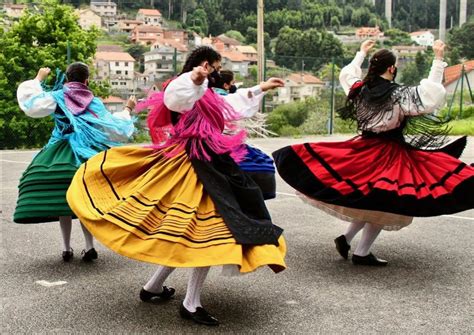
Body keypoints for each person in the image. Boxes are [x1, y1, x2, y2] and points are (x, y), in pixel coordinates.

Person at [66, 47, 286, 326]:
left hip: (210, 162)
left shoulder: (207, 91)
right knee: (208, 233)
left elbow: (232, 103)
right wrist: (194, 78)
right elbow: (176, 100)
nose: (217, 73)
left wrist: (260, 88)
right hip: (193, 164)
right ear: (205, 65)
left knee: (187, 234)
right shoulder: (185, 86)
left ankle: (153, 287)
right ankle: (190, 303)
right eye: (216, 67)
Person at [272, 39, 473, 266]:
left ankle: (347, 239)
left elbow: (347, 76)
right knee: (384, 201)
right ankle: (361, 252)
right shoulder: (398, 94)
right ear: (391, 68)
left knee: (369, 198)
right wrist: (437, 60)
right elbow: (429, 98)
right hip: (388, 153)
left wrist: (360, 53)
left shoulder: (360, 90)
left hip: (364, 149)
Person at [14, 63, 135, 262]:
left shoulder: (57, 96)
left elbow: (31, 104)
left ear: (68, 79)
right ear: (86, 80)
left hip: (59, 153)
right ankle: (89, 247)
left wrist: (38, 79)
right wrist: (128, 109)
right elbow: (116, 128)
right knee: (85, 200)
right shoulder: (93, 102)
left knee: (63, 202)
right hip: (85, 154)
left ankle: (65, 248)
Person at [212, 69, 280, 199]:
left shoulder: (204, 96)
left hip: (214, 148)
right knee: (260, 165)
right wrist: (262, 87)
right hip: (225, 149)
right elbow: (242, 97)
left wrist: (261, 88)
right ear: (226, 85)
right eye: (232, 83)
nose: (234, 86)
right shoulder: (224, 100)